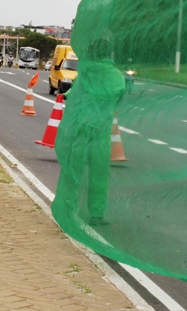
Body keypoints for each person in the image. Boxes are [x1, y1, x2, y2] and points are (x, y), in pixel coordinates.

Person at [52, 38, 124, 226]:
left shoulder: (85, 73)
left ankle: (67, 208)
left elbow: (73, 93)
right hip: (101, 131)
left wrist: (65, 95)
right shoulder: (116, 75)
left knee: (72, 172)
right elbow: (119, 94)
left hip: (81, 131)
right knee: (98, 174)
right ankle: (97, 213)